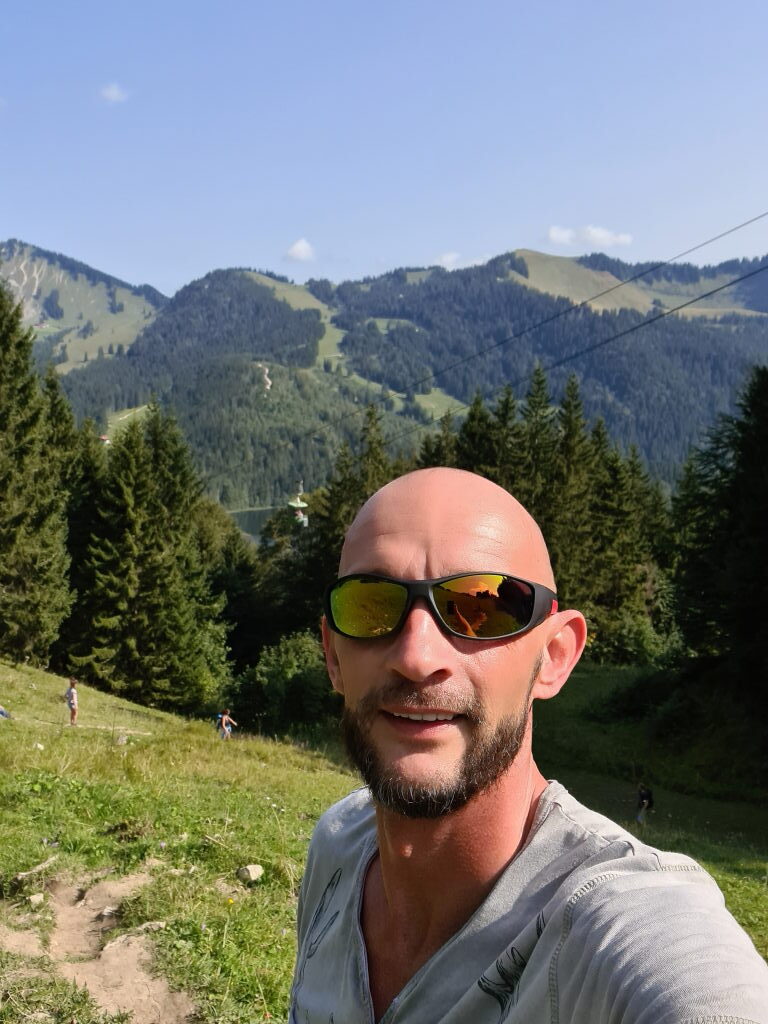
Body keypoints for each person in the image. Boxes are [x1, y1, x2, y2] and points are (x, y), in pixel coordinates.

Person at [290, 468, 768, 1023]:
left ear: (554, 657)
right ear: (332, 655)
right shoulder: (337, 849)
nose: (417, 656)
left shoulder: (607, 926)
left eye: (483, 606)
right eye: (371, 604)